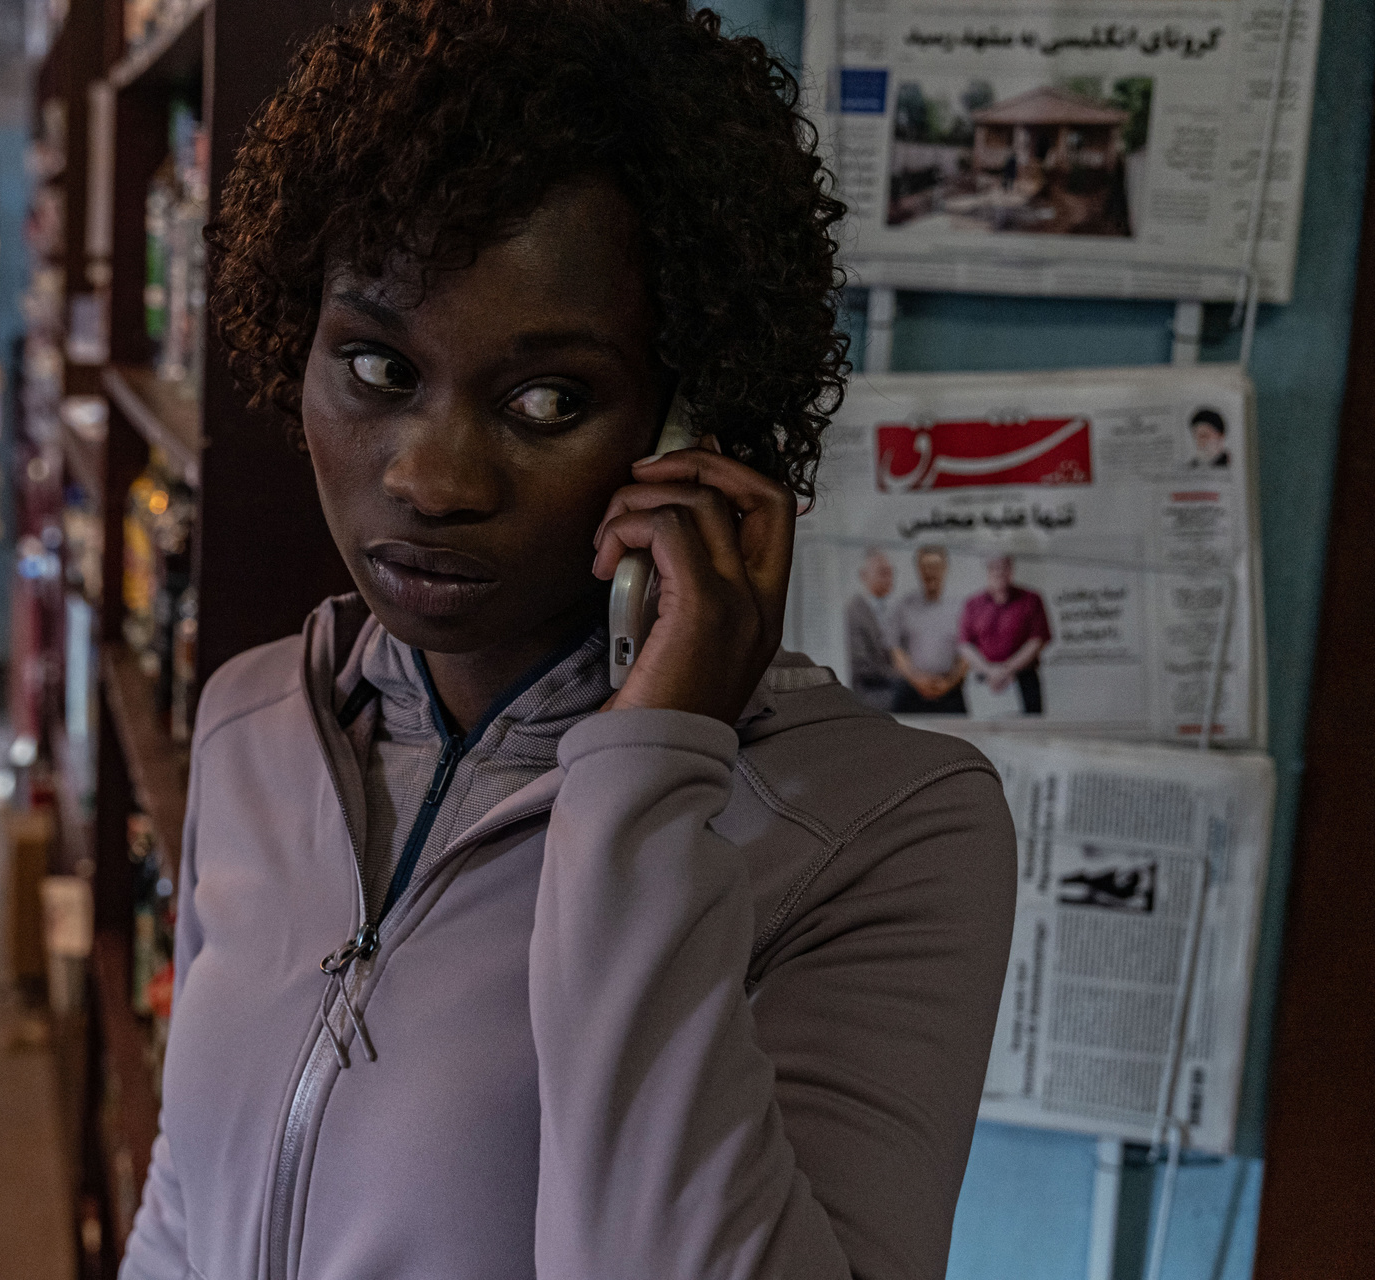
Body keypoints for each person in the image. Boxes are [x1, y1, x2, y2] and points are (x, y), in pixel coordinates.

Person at [122, 5, 1016, 1279]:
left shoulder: (888, 831)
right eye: (376, 367)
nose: (429, 478)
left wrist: (650, 774)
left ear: (691, 422)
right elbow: (183, 1206)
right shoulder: (254, 719)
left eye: (547, 399)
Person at [958, 554, 1051, 714]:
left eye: (1003, 567)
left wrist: (1007, 670)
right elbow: (964, 644)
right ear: (987, 570)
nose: (999, 572)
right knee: (982, 728)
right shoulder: (973, 604)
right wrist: (990, 671)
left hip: (1023, 678)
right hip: (985, 679)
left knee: (1028, 728)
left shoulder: (1031, 599)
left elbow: (1037, 640)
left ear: (1011, 570)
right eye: (994, 567)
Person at [889, 544, 970, 713]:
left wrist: (949, 683)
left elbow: (967, 654)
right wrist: (917, 680)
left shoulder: (961, 609)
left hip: (951, 693)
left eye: (935, 566)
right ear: (918, 569)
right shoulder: (904, 606)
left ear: (945, 568)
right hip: (912, 692)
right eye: (925, 567)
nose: (930, 572)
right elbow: (895, 650)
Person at [845, 547, 900, 710]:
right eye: (883, 572)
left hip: (894, 687)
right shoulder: (854, 611)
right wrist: (905, 677)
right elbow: (863, 666)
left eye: (890, 572)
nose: (889, 577)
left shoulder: (894, 609)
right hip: (872, 693)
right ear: (864, 575)